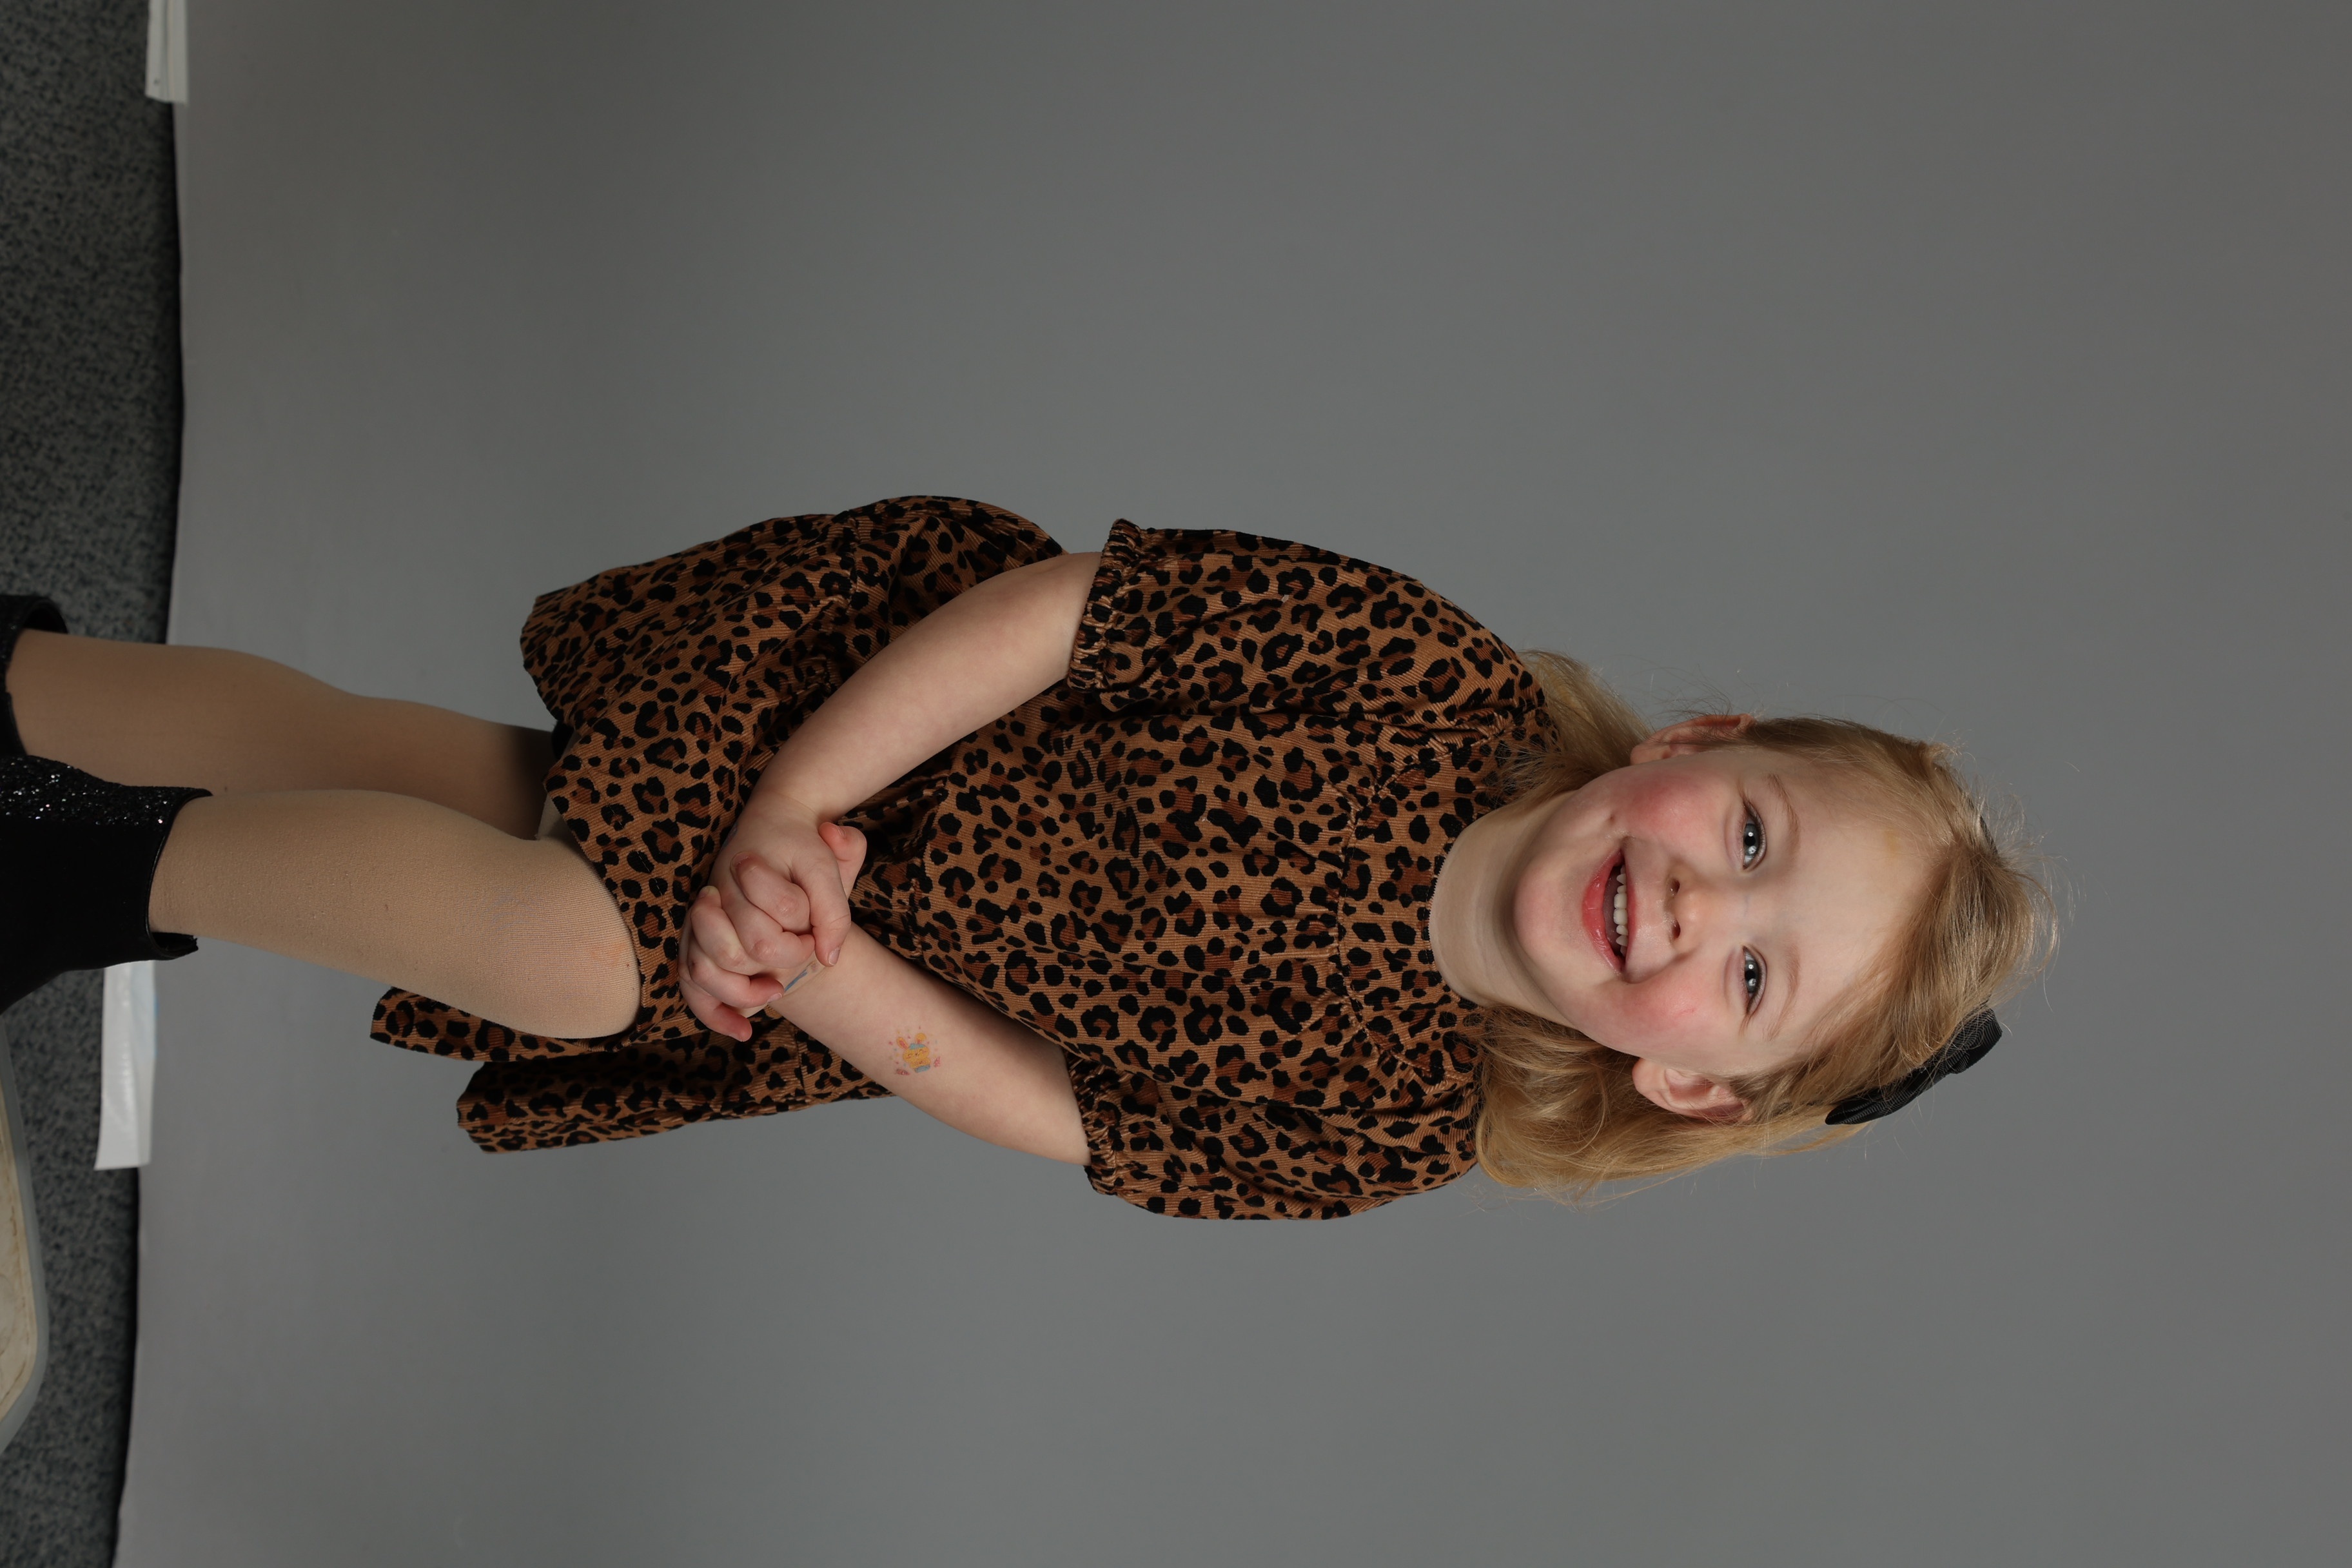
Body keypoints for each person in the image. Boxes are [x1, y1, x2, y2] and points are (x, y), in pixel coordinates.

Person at [0, 496, 2051, 1219]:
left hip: (841, 944)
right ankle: (62, 854)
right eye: (1753, 837)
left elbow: (1062, 1112)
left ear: (1688, 1080)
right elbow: (1067, 616)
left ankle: (31, 698)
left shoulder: (1390, 1124)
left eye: (1755, 974)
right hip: (852, 716)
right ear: (1699, 746)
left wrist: (823, 968)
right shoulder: (1420, 673)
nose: (1703, 907)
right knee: (566, 946)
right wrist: (797, 809)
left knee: (445, 783)